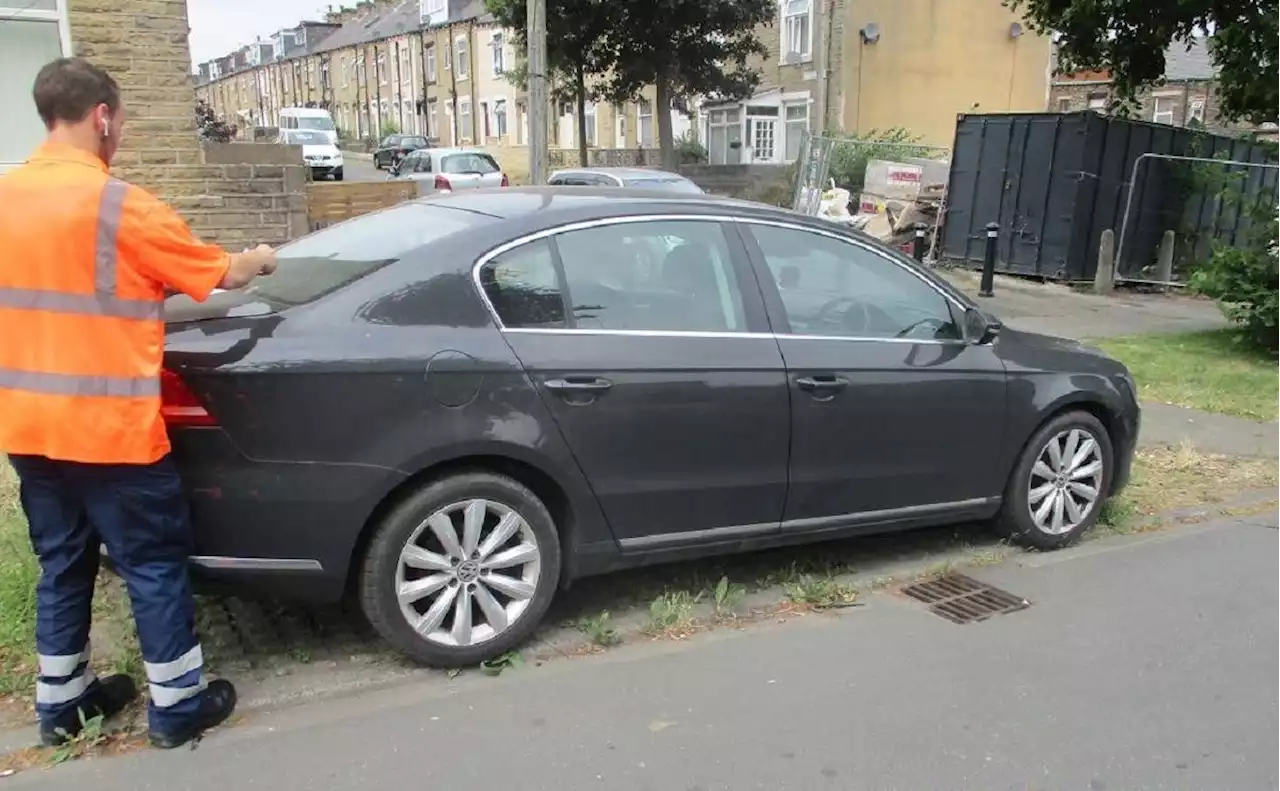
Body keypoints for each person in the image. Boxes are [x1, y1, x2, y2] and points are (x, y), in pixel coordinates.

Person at [0, 58, 278, 750]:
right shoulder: (120, 205)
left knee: (63, 564)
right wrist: (263, 256)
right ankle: (178, 704)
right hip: (112, 433)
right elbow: (216, 273)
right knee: (153, 563)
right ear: (101, 116)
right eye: (119, 120)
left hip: (29, 429)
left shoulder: (4, 197)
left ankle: (62, 706)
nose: (118, 132)